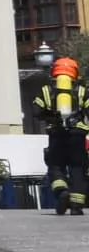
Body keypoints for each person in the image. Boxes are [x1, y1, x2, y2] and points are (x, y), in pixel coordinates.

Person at [38, 57, 88, 216]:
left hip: (57, 134)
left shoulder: (47, 90)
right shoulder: (82, 90)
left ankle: (61, 192)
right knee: (78, 169)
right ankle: (76, 206)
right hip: (77, 135)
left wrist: (50, 117)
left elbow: (36, 111)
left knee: (55, 165)